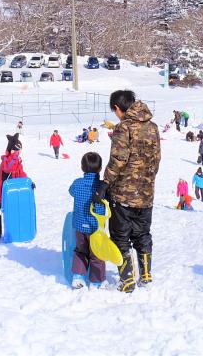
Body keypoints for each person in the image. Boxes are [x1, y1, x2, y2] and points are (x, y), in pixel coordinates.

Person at [94, 90, 161, 292]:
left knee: (120, 235)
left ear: (117, 108)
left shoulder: (124, 128)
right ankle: (146, 275)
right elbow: (156, 159)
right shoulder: (153, 127)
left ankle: (128, 279)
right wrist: (147, 181)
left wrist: (105, 183)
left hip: (123, 193)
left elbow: (119, 159)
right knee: (142, 234)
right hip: (146, 193)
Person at [67, 152, 106, 288]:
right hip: (96, 228)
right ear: (100, 168)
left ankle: (78, 276)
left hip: (79, 226)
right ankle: (96, 281)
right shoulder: (102, 187)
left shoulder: (77, 184)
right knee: (97, 254)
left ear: (82, 167)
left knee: (80, 251)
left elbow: (71, 191)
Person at [0, 135, 27, 237]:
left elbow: (21, 173)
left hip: (11, 193)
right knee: (8, 212)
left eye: (20, 151)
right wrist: (13, 157)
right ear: (12, 151)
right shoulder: (6, 162)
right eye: (17, 151)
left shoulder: (17, 162)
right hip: (2, 193)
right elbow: (7, 170)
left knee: (9, 212)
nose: (19, 153)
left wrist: (28, 182)